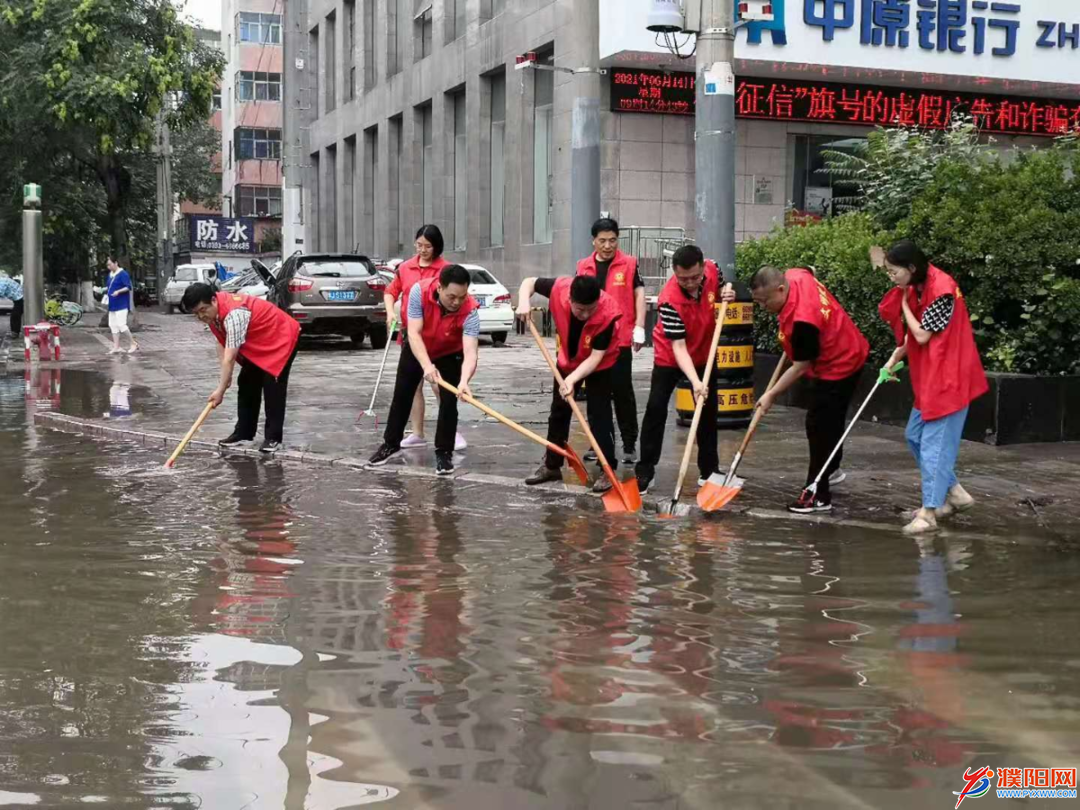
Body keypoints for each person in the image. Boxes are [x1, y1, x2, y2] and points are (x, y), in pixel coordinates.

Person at [731, 265, 869, 514]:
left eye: (765, 301)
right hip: (845, 344)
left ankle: (818, 493)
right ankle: (831, 468)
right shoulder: (796, 275)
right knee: (831, 419)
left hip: (841, 362)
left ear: (781, 289)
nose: (763, 307)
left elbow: (801, 366)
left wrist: (770, 394)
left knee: (819, 424)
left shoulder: (804, 322)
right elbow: (811, 270)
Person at [877, 240, 988, 536]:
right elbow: (910, 339)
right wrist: (892, 360)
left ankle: (928, 513)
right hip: (931, 376)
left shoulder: (943, 289)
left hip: (949, 378)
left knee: (934, 447)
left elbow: (923, 334)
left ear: (911, 268)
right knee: (915, 436)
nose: (891, 277)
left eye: (893, 271)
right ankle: (956, 495)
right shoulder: (918, 286)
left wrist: (903, 305)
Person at [635, 246, 730, 494]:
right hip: (670, 356)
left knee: (708, 411)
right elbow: (678, 348)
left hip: (704, 352)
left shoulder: (712, 268)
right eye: (683, 279)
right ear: (674, 273)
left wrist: (725, 292)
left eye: (695, 277)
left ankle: (709, 471)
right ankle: (645, 470)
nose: (689, 283)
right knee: (656, 409)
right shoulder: (669, 300)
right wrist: (695, 383)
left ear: (702, 268)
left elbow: (721, 288)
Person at [368, 264, 480, 476]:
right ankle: (391, 444)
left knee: (449, 400)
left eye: (462, 296)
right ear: (439, 287)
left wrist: (464, 381)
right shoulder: (419, 292)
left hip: (449, 351)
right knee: (403, 393)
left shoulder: (471, 311)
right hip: (418, 344)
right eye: (451, 296)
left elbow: (471, 352)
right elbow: (413, 332)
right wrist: (427, 366)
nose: (457, 302)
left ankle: (444, 452)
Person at [517, 274, 622, 494]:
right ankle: (552, 465)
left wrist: (572, 380)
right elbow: (529, 283)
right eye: (579, 309)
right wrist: (524, 302)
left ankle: (607, 469)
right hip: (568, 359)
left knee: (599, 414)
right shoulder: (559, 288)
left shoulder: (608, 313)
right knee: (559, 411)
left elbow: (596, 357)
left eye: (590, 309)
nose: (584, 315)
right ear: (570, 298)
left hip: (600, 364)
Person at [181, 282, 301, 453]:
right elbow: (222, 342)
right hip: (260, 341)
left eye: (203, 310)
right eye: (196, 313)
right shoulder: (214, 313)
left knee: (272, 385)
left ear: (214, 300)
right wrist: (226, 376)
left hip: (281, 337)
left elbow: (230, 357)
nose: (201, 316)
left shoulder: (234, 313)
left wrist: (220, 391)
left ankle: (273, 438)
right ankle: (244, 434)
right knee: (246, 381)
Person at [383, 224, 466, 451]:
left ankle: (451, 431)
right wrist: (391, 312)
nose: (423, 250)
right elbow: (391, 292)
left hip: (440, 336)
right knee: (413, 386)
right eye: (419, 245)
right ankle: (417, 433)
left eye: (428, 246)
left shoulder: (446, 269)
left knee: (441, 386)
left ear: (437, 247)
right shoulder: (406, 267)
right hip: (412, 334)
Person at [576, 217, 645, 463]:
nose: (608, 245)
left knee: (622, 392)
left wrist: (639, 325)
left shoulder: (629, 264)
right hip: (593, 340)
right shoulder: (583, 266)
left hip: (620, 338)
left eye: (613, 240)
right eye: (603, 241)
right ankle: (599, 443)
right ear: (593, 241)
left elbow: (639, 293)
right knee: (596, 396)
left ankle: (629, 444)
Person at [105, 256, 139, 355]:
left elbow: (128, 287)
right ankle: (116, 347)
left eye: (110, 264)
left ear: (116, 263)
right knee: (113, 325)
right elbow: (109, 287)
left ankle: (133, 343)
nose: (108, 267)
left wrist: (118, 291)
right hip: (112, 304)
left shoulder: (123, 274)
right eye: (107, 265)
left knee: (121, 325)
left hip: (121, 304)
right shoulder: (110, 274)